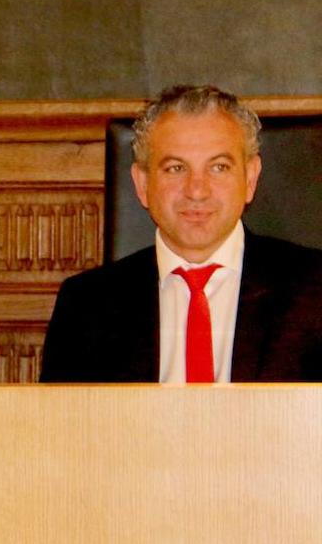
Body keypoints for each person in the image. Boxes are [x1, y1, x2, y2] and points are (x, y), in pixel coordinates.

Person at [40, 85, 322, 383]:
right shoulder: (86, 305)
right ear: (142, 183)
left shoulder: (316, 291)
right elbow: (60, 426)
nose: (197, 190)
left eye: (219, 167)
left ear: (250, 178)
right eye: (176, 168)